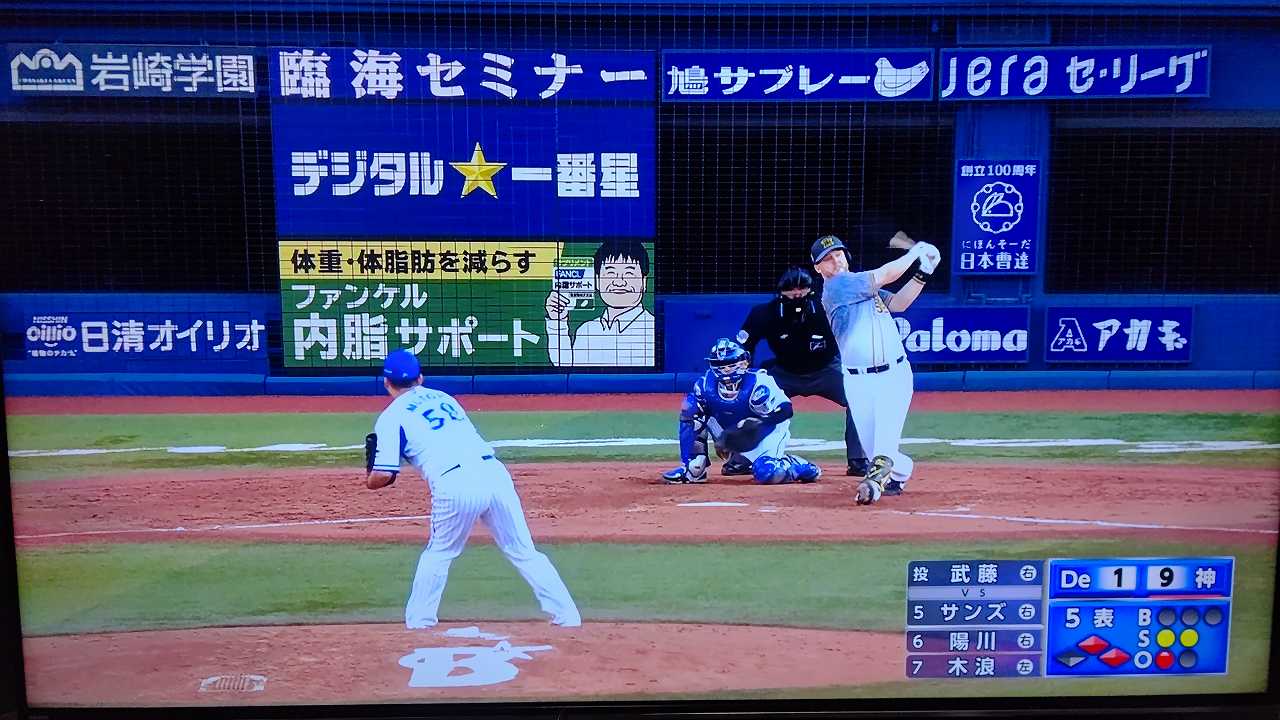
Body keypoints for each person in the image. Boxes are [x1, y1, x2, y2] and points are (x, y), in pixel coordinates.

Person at [365, 349, 581, 629]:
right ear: (420, 378)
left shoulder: (391, 417)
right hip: (494, 474)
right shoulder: (445, 399)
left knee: (439, 553)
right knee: (524, 550)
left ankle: (419, 623)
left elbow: (384, 474)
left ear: (386, 382)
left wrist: (370, 478)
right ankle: (568, 616)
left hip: (455, 483)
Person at [810, 233, 940, 505]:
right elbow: (886, 274)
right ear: (818, 268)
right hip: (857, 381)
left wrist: (924, 271)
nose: (836, 261)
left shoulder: (859, 285)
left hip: (893, 374)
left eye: (838, 255)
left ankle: (873, 485)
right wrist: (915, 254)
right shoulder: (838, 287)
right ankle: (900, 470)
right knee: (874, 451)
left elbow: (899, 304)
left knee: (882, 448)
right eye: (828, 259)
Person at [734, 267, 870, 478]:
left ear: (811, 289)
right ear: (781, 291)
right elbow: (744, 347)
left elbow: (853, 336)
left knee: (860, 397)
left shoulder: (827, 309)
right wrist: (745, 375)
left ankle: (858, 460)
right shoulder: (764, 313)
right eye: (791, 289)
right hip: (784, 372)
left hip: (826, 369)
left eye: (802, 288)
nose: (797, 294)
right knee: (750, 397)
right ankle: (742, 459)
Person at [661, 338, 822, 485]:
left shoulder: (759, 382)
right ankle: (693, 467)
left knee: (767, 473)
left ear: (744, 363)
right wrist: (729, 437)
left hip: (767, 430)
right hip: (730, 435)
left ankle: (797, 465)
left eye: (731, 364)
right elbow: (691, 416)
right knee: (690, 409)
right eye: (721, 365)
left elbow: (786, 410)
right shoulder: (704, 385)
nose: (726, 370)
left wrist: (756, 425)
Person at [545, 238, 655, 367]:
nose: (619, 282)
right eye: (611, 273)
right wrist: (557, 321)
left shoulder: (653, 329)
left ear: (644, 281)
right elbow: (566, 365)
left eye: (629, 273)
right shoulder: (586, 330)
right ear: (597, 280)